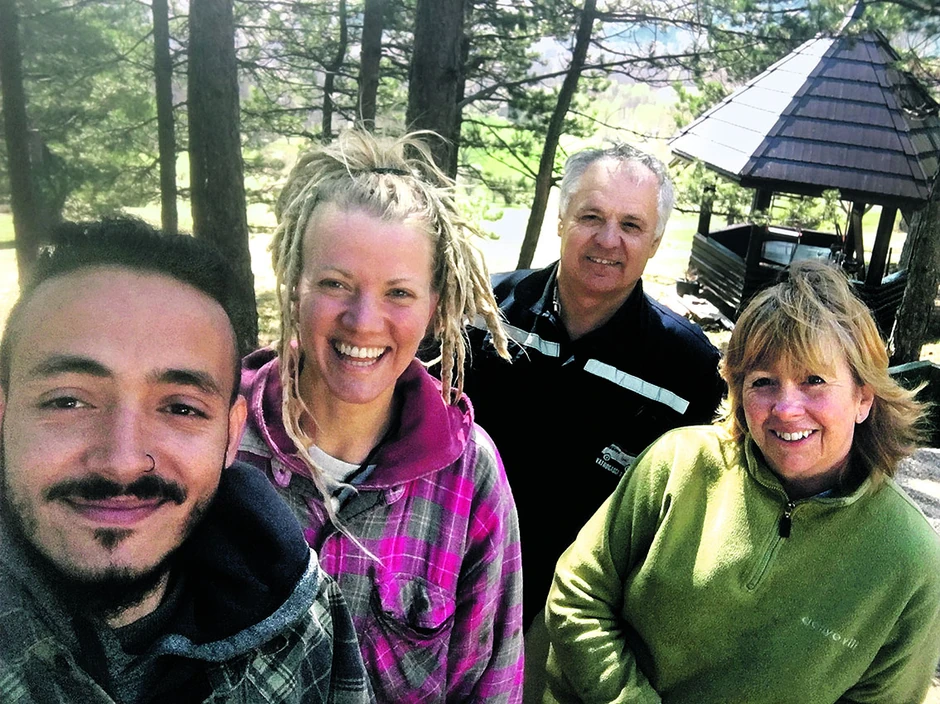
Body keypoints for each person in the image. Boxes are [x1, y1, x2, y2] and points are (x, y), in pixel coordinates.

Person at [0, 219, 372, 704]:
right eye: (68, 401)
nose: (122, 462)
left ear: (232, 434)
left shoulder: (304, 621)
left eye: (181, 408)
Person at [544, 261, 940, 704]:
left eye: (814, 380)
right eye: (764, 381)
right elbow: (578, 596)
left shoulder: (910, 561)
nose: (786, 408)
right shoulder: (679, 464)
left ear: (863, 397)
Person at [237, 130, 524, 702]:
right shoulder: (220, 441)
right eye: (335, 284)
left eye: (398, 293)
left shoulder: (469, 476)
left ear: (436, 307)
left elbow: (489, 680)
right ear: (294, 286)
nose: (364, 321)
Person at [462, 143, 724, 631]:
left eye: (631, 225)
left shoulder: (688, 368)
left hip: (570, 618)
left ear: (656, 240)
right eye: (591, 216)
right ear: (561, 220)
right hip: (446, 585)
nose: (608, 240)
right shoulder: (479, 311)